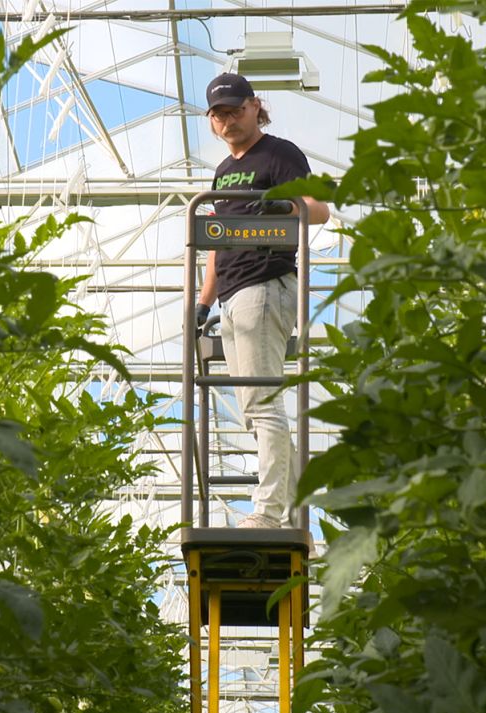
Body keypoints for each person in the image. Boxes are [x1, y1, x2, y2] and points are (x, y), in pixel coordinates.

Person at [194, 73, 330, 529]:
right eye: (218, 114)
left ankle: (269, 512)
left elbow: (319, 209)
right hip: (232, 296)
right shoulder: (222, 173)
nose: (227, 120)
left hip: (265, 285)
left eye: (234, 110)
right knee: (256, 409)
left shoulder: (279, 154)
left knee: (263, 405)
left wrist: (284, 208)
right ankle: (294, 509)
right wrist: (202, 303)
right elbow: (215, 242)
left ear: (255, 106)